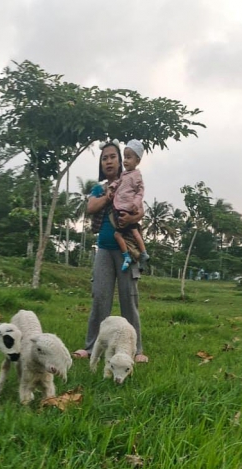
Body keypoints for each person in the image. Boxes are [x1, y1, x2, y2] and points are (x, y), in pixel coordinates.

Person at [73, 140, 148, 363]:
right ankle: (91, 346)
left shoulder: (131, 179)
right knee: (100, 298)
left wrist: (134, 216)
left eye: (113, 157)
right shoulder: (100, 187)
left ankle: (136, 350)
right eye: (104, 158)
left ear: (122, 160)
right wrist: (110, 193)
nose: (109, 161)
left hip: (127, 249)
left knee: (129, 299)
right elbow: (90, 207)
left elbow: (140, 208)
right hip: (104, 249)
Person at [109, 139, 149, 272]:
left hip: (128, 208)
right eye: (124, 157)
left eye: (129, 158)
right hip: (120, 207)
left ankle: (132, 255)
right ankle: (143, 254)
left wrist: (135, 204)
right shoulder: (124, 174)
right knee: (133, 231)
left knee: (120, 234)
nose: (125, 161)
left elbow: (140, 192)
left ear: (137, 161)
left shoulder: (137, 176)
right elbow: (118, 182)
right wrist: (112, 187)